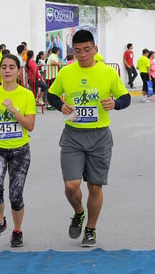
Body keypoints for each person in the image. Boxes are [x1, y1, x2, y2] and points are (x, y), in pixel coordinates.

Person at [47, 29, 131, 248]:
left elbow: (126, 97)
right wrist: (60, 105)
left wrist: (116, 104)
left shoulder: (107, 73)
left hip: (99, 136)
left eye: (86, 50)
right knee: (71, 184)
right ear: (72, 51)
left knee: (95, 187)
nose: (82, 55)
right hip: (73, 135)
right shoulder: (67, 72)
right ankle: (78, 212)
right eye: (77, 51)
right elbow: (51, 94)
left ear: (95, 49)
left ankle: (91, 229)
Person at [0, 54, 36, 247]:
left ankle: (17, 230)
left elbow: (30, 125)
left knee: (16, 194)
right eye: (3, 66)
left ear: (18, 71)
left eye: (11, 67)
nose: (7, 70)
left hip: (19, 150)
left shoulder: (27, 95)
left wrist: (13, 110)